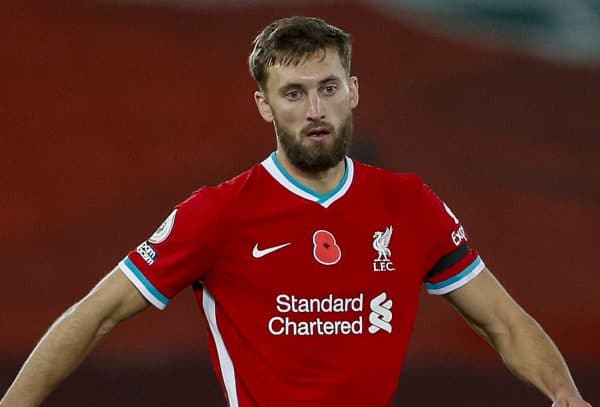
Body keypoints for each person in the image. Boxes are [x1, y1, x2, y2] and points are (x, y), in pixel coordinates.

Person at [0, 16, 592, 407]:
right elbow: (95, 314)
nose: (315, 109)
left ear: (353, 91)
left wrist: (566, 396)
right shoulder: (219, 212)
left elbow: (504, 323)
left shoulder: (411, 205)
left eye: (328, 88)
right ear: (263, 105)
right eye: (293, 93)